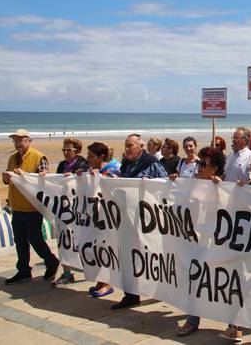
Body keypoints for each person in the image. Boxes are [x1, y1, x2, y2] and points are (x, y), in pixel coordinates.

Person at [112, 133, 168, 310]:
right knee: (127, 256)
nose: (127, 149)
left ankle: (161, 287)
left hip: (147, 221)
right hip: (127, 217)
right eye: (126, 145)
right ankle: (130, 294)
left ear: (141, 147)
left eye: (130, 145)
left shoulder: (152, 163)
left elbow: (165, 185)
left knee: (151, 255)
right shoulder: (127, 163)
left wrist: (150, 183)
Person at [177, 146, 227, 338]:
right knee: (195, 278)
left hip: (217, 243)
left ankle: (233, 324)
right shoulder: (191, 184)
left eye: (203, 164)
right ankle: (193, 318)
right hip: (195, 242)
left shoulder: (222, 186)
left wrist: (221, 189)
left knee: (222, 282)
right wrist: (172, 184)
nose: (198, 167)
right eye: (198, 163)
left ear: (214, 169)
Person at [2, 129, 60, 285]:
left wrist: (24, 176)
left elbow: (42, 181)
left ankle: (51, 261)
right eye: (15, 140)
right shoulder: (12, 158)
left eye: (20, 140)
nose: (18, 143)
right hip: (16, 206)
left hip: (32, 207)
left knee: (35, 239)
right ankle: (23, 270)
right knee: (19, 240)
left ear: (29, 140)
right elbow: (8, 179)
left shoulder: (38, 157)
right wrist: (7, 178)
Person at [50, 137, 89, 286]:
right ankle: (67, 273)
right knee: (63, 241)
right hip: (63, 209)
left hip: (78, 211)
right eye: (63, 150)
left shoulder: (83, 164)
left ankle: (88, 268)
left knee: (80, 241)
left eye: (69, 150)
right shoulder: (61, 165)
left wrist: (77, 175)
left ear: (77, 151)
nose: (65, 153)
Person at [83, 142, 120, 298]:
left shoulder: (115, 168)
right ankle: (101, 280)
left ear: (101, 157)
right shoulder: (92, 169)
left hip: (111, 218)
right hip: (97, 217)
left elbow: (114, 187)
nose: (88, 159)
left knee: (107, 249)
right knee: (96, 248)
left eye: (91, 156)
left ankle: (108, 282)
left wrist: (98, 177)